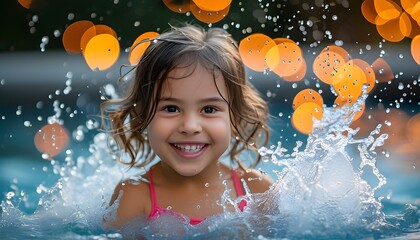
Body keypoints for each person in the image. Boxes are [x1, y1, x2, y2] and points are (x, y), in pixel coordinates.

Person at [101, 24, 273, 229]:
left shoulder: (256, 191)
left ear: (234, 117)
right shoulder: (135, 196)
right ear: (142, 116)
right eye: (171, 108)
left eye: (209, 109)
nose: (190, 126)